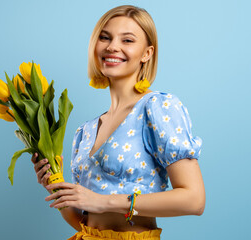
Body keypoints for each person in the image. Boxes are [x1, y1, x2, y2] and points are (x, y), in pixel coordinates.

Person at [31, 5, 205, 240]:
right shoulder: (86, 131)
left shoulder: (157, 107)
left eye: (128, 40)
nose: (112, 46)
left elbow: (194, 200)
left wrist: (105, 202)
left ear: (147, 53)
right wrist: (56, 185)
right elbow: (84, 222)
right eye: (105, 37)